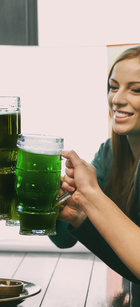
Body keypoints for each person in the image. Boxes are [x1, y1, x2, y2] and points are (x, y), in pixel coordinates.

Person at [52, 45, 140, 283]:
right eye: (113, 87)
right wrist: (70, 213)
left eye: (136, 90)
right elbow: (63, 238)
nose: (117, 99)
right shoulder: (109, 153)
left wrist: (90, 194)